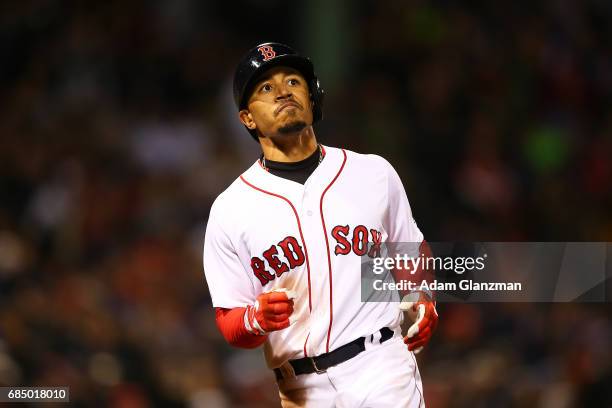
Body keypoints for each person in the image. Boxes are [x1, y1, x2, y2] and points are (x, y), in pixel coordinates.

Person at [203, 42, 438, 407]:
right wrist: (257, 318)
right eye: (266, 88)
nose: (283, 91)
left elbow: (409, 251)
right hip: (300, 390)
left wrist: (421, 297)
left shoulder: (372, 172)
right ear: (247, 117)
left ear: (312, 98)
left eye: (293, 81)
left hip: (380, 365)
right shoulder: (231, 209)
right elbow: (229, 320)